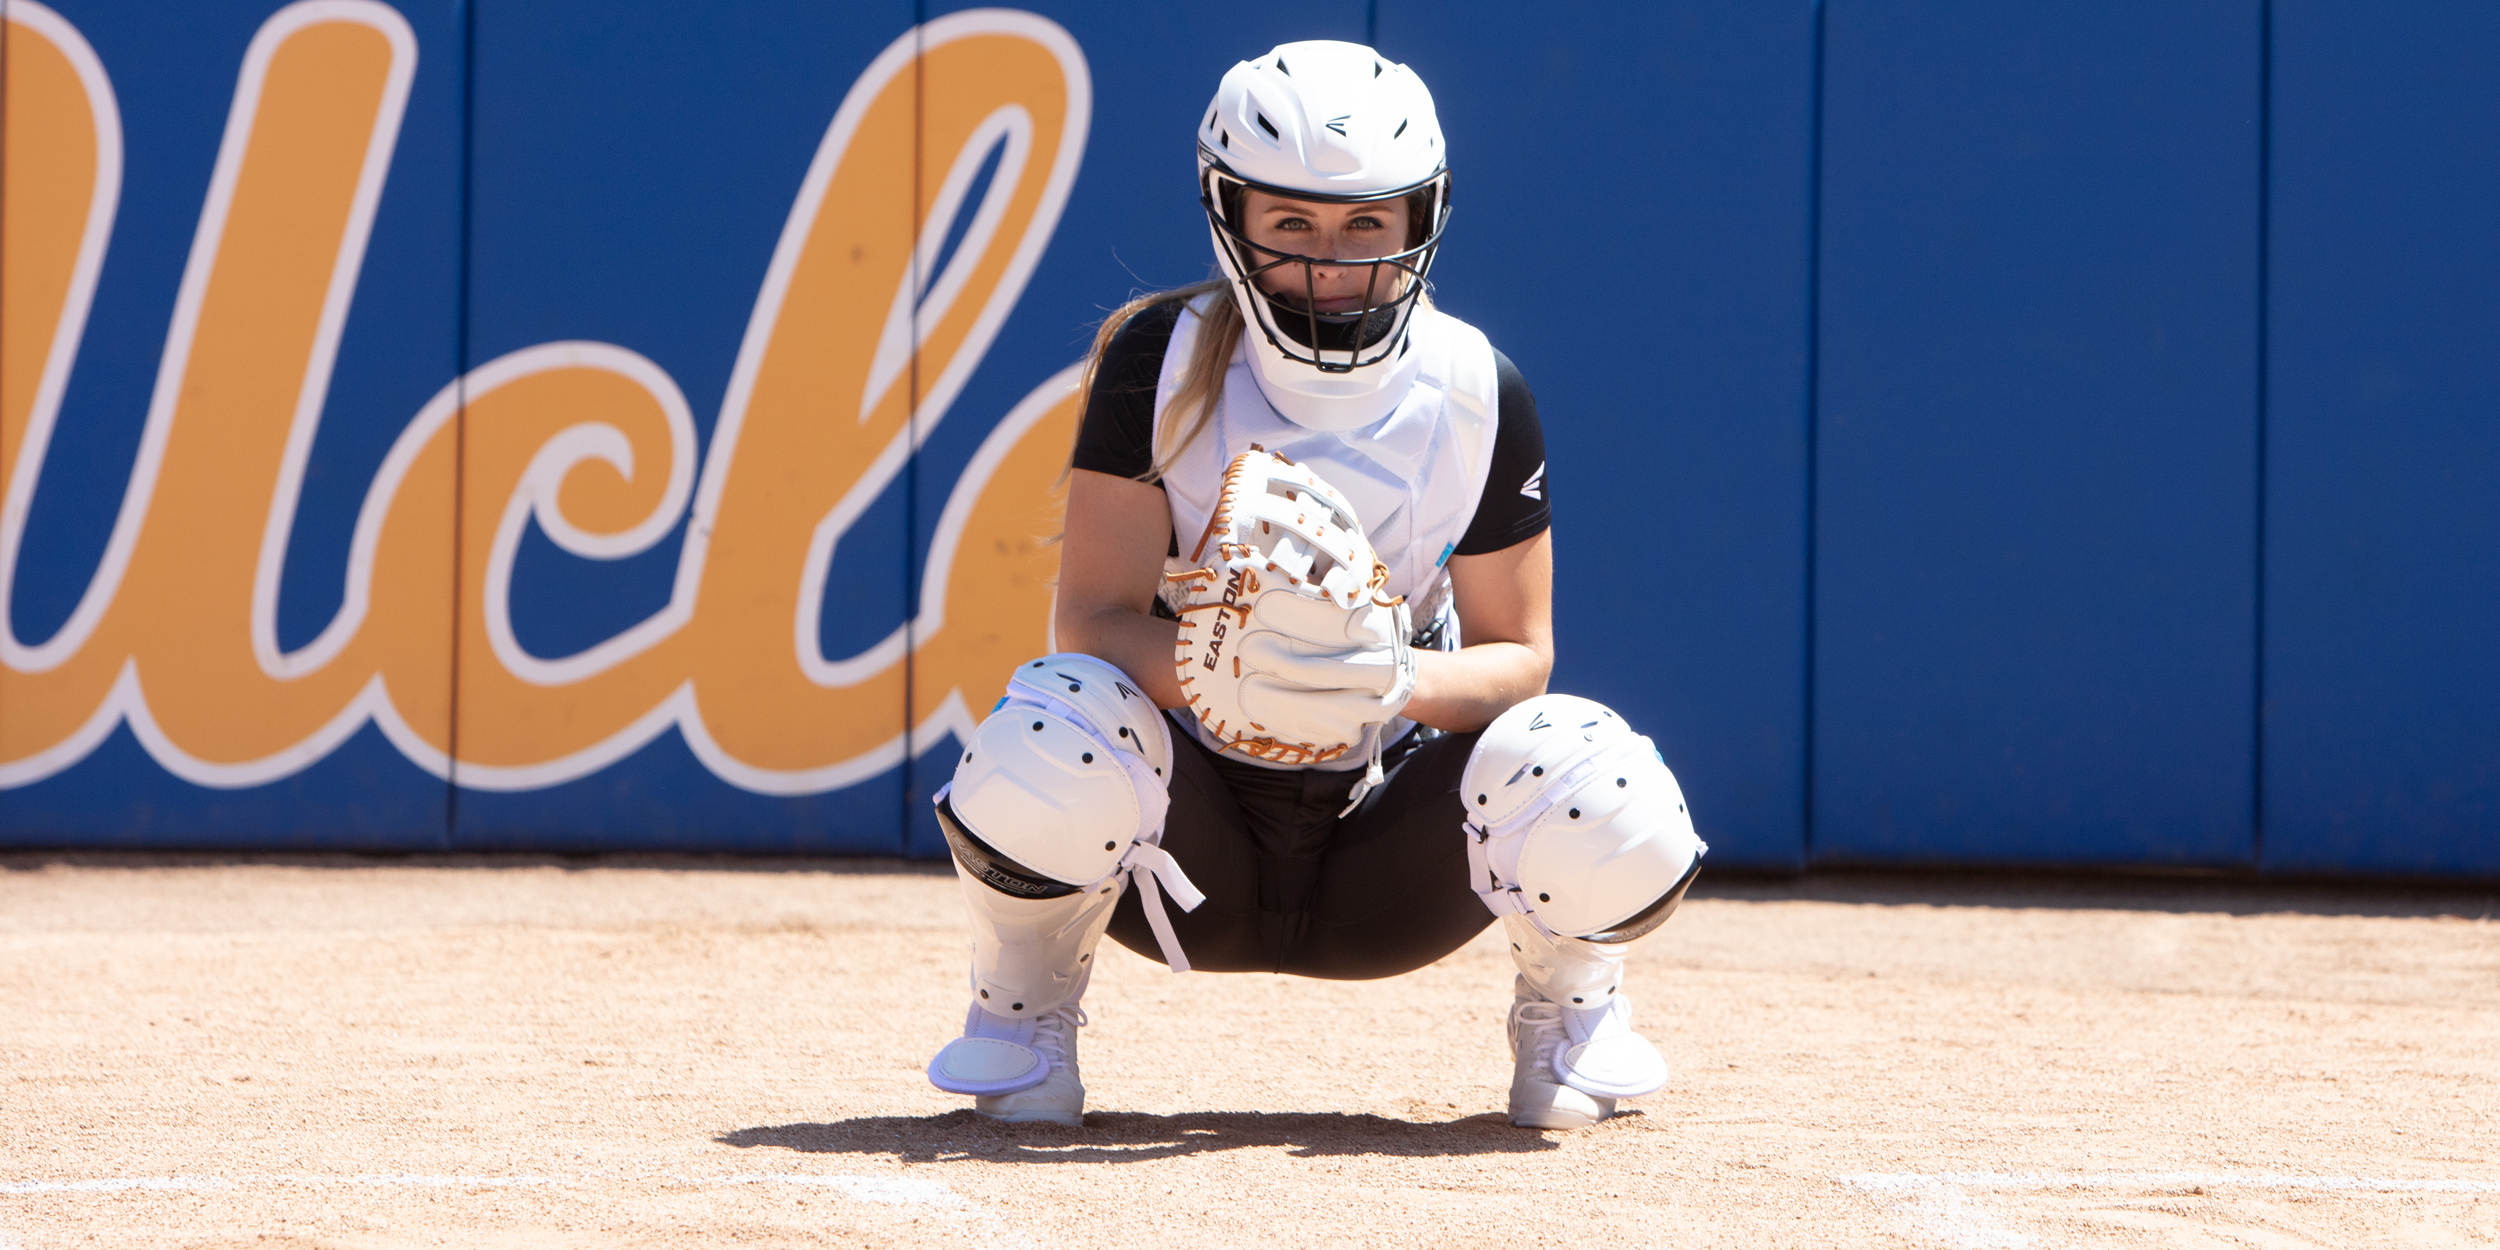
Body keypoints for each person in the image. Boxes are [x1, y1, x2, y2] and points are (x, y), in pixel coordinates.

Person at [923, 40, 1706, 1131]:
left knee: (1586, 764)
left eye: (1364, 226)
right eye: (1291, 225)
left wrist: (1375, 680)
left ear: (1418, 218)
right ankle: (1021, 1016)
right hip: (1191, 855)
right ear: (1228, 212)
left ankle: (1568, 1016)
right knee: (1051, 719)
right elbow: (1092, 619)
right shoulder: (1157, 359)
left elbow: (1518, 654)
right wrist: (1229, 674)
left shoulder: (1476, 386)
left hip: (1382, 862)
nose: (1330, 264)